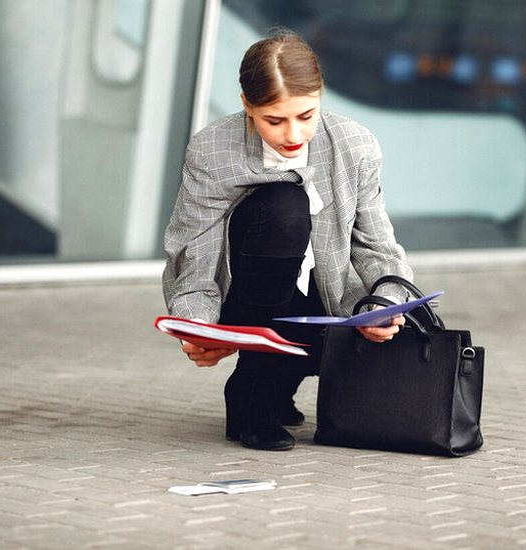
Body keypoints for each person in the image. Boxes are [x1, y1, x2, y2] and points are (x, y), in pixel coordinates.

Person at [162, 28, 413, 451]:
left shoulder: (355, 145)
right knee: (285, 205)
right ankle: (253, 393)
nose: (293, 134)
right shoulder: (213, 151)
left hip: (323, 296)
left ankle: (280, 384)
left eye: (306, 115)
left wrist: (385, 304)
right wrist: (198, 326)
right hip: (246, 297)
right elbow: (193, 254)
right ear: (247, 105)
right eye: (274, 120)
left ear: (321, 96)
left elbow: (376, 244)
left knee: (377, 336)